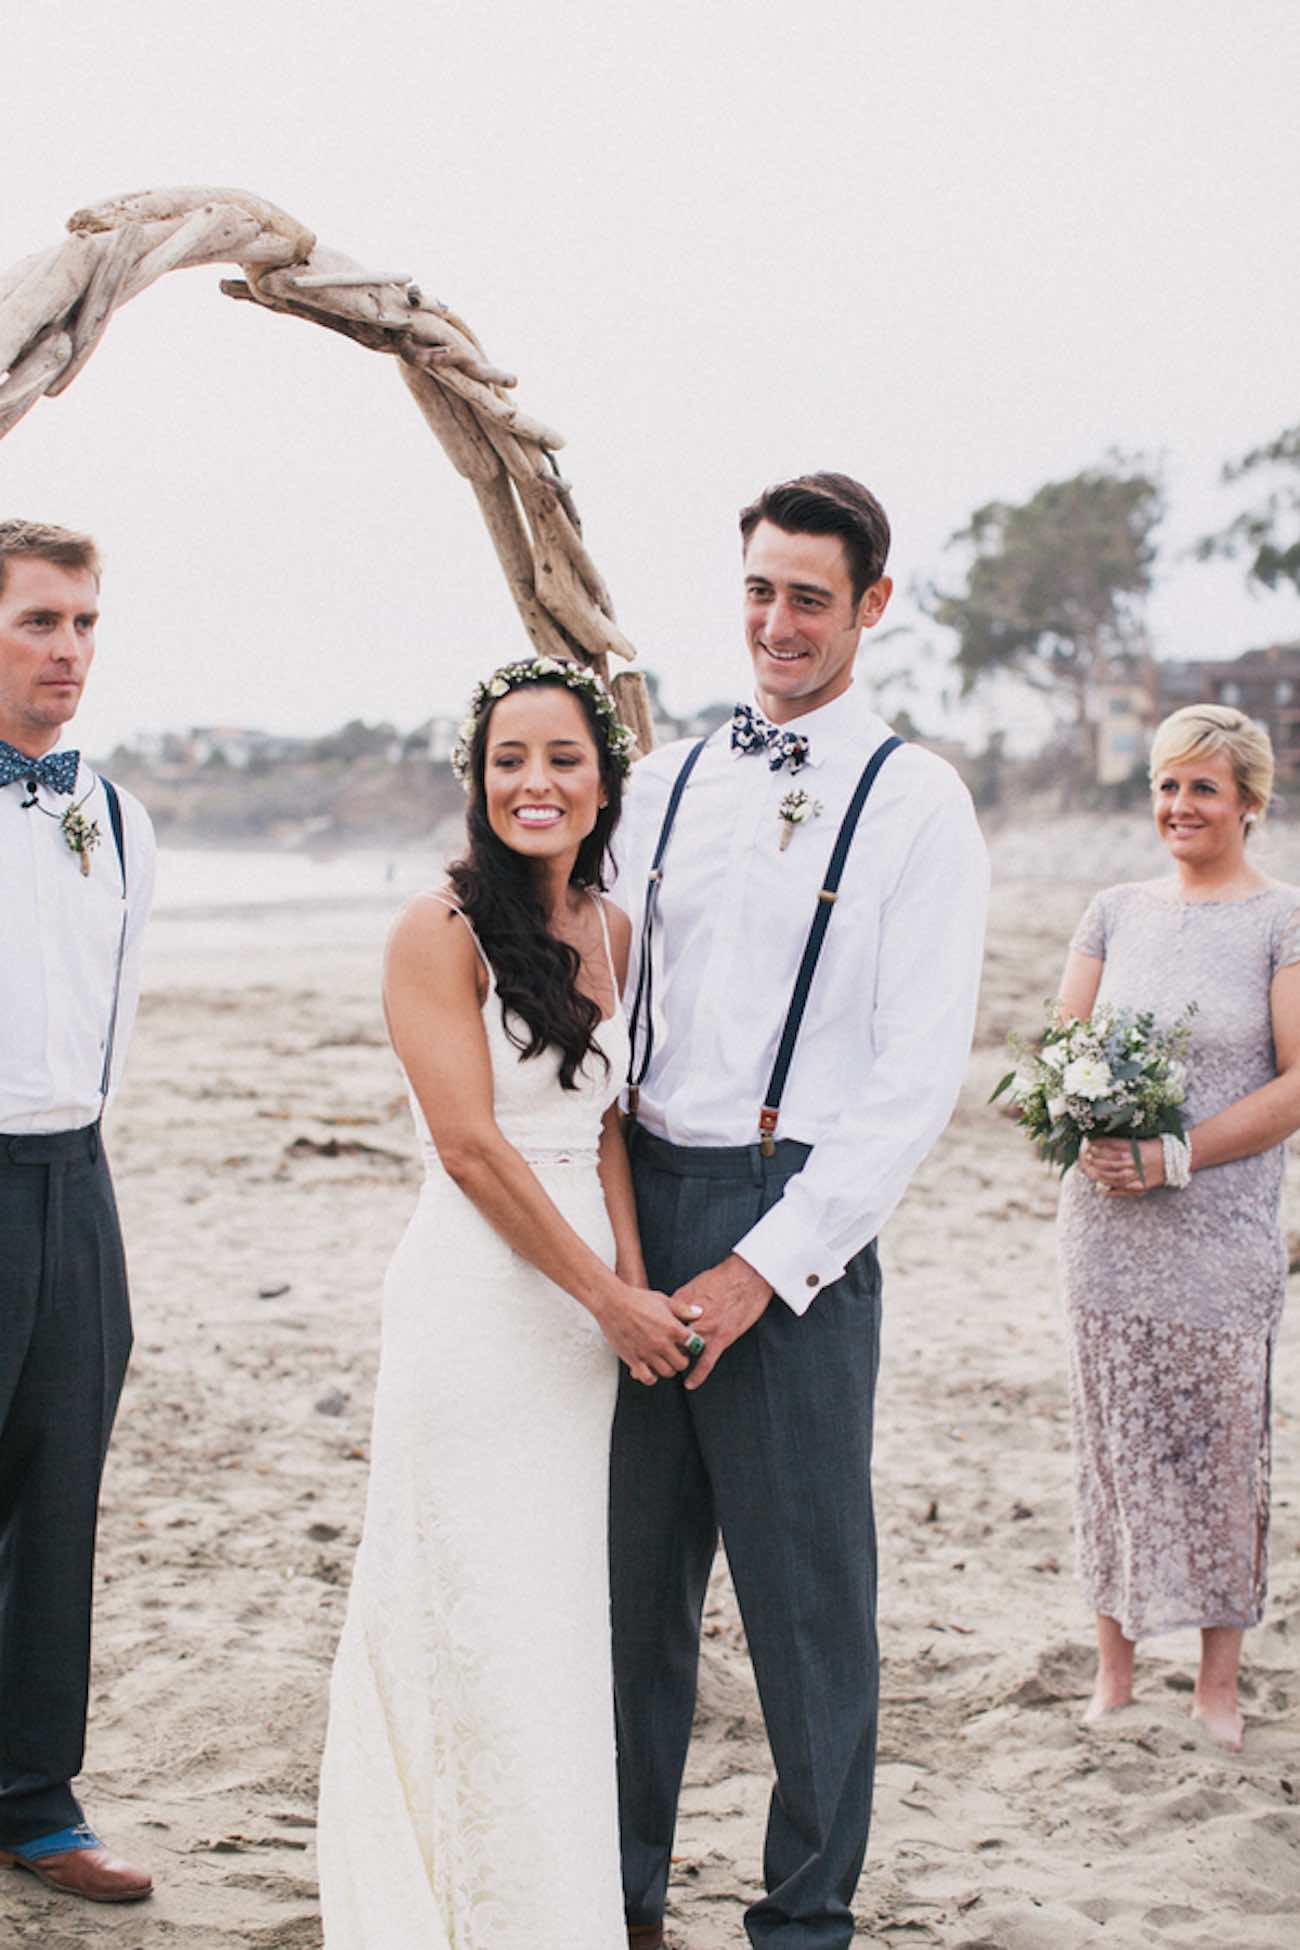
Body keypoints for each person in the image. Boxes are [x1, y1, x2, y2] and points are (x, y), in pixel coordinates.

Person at [610, 473, 989, 1950]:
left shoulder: (918, 800)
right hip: (643, 1207)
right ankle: (622, 1894)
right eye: (760, 590)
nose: (777, 622)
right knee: (633, 1596)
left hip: (795, 1221)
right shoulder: (672, 777)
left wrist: (770, 1264)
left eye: (810, 596)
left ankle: (805, 1917)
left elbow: (913, 1082)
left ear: (871, 605)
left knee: (807, 1607)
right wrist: (618, 1254)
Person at [317, 657, 701, 1950]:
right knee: (465, 1600)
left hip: (588, 1327)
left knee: (553, 1613)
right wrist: (605, 1296)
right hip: (481, 1308)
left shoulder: (617, 930)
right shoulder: (438, 929)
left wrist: (636, 1292)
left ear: (604, 778)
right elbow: (475, 1147)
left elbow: (599, 1131)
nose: (534, 782)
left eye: (560, 758)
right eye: (508, 760)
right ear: (480, 781)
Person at [1057, 703, 1300, 1751]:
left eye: (1202, 787)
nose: (1179, 805)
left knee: (1214, 1449)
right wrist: (1088, 1132)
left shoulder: (1283, 920)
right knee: (1109, 1444)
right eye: (1165, 784)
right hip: (1104, 1229)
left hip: (1223, 1231)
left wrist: (1178, 1152)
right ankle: (1112, 1672)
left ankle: (1214, 1684)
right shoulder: (1112, 910)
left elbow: (1298, 1084)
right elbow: (1061, 1059)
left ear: (1247, 800)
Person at [0, 521, 156, 1903]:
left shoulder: (117, 817)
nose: (67, 651)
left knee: (60, 1503)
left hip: (77, 1182)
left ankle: (37, 1801)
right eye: (40, 620)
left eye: (84, 622)